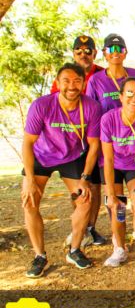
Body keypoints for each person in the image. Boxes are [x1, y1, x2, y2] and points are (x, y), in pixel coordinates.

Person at [21, 63, 102, 277]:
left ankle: (75, 249)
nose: (71, 86)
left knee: (85, 200)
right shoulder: (42, 105)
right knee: (29, 201)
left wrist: (85, 178)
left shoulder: (92, 107)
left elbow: (94, 145)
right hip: (41, 155)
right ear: (58, 83)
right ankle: (40, 256)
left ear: (83, 83)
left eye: (77, 81)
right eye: (66, 81)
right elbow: (28, 142)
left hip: (71, 156)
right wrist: (29, 179)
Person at [100, 77, 135, 279]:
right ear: (121, 96)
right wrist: (110, 191)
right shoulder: (108, 119)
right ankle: (120, 248)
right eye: (130, 93)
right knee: (117, 206)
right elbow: (107, 159)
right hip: (114, 166)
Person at [54, 36, 106, 246]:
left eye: (88, 50)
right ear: (73, 53)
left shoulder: (103, 74)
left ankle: (91, 228)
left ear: (95, 53)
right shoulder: (64, 77)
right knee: (77, 188)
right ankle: (79, 229)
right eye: (79, 51)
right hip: (73, 144)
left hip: (97, 140)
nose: (83, 54)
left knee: (94, 186)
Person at [86, 33, 135, 113]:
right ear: (104, 54)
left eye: (120, 49)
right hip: (107, 125)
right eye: (111, 49)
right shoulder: (95, 80)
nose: (116, 52)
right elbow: (89, 111)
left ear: (125, 53)